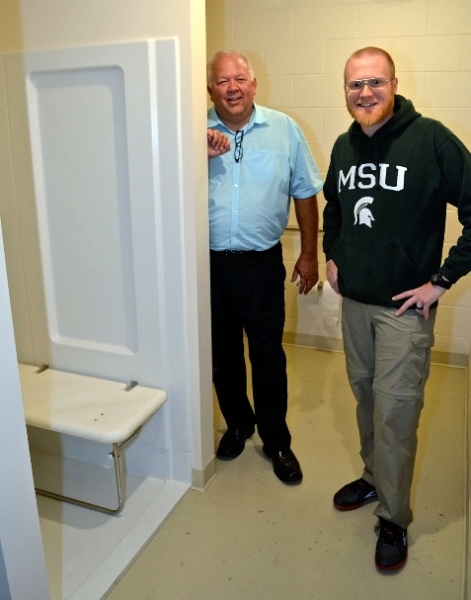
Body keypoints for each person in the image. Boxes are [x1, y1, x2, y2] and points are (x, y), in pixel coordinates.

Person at [323, 46, 471, 571]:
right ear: (345, 90)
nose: (364, 93)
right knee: (366, 400)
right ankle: (373, 477)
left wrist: (441, 279)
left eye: (374, 83)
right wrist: (332, 253)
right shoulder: (343, 147)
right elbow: (333, 207)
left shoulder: (429, 139)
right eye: (354, 85)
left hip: (404, 312)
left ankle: (393, 515)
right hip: (356, 306)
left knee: (395, 412)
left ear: (394, 83)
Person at [206, 50, 323, 485]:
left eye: (239, 79)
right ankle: (239, 424)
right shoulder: (189, 131)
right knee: (223, 355)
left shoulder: (284, 129)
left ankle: (276, 440)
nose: (232, 87)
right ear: (210, 89)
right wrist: (194, 155)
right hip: (208, 267)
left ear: (254, 84)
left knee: (268, 356)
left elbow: (306, 192)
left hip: (261, 266)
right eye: (222, 81)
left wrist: (309, 254)